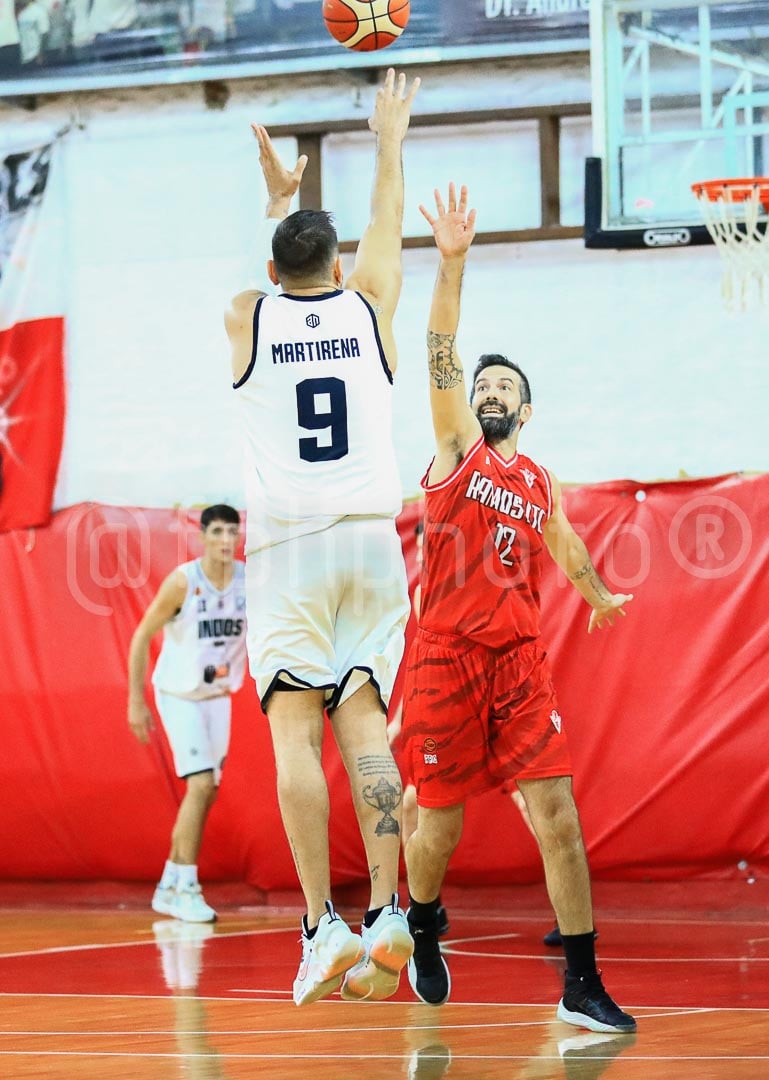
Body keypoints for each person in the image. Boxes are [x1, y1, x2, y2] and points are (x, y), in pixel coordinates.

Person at [401, 183, 636, 1034]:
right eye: (482, 383)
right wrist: (451, 264)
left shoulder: (538, 480)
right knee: (439, 828)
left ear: (525, 410)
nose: (490, 390)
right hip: (444, 658)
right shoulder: (455, 447)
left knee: (559, 821)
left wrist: (597, 593)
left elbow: (563, 543)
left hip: (518, 664)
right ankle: (423, 920)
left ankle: (581, 979)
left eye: (505, 386)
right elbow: (439, 345)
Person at [224, 68, 421, 1007]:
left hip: (291, 548)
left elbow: (249, 287)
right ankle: (388, 912)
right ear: (338, 270)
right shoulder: (368, 307)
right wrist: (388, 144)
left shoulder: (248, 317)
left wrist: (274, 201)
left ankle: (320, 927)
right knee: (367, 726)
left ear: (275, 273)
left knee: (292, 733)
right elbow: (386, 235)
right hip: (373, 541)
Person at [128, 504, 246, 923]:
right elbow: (142, 635)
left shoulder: (248, 583)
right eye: (218, 531)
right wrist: (135, 702)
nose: (227, 540)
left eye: (233, 531)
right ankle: (188, 885)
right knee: (199, 786)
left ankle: (170, 885)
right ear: (202, 536)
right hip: (178, 695)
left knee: (207, 790)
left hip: (217, 697)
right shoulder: (184, 582)